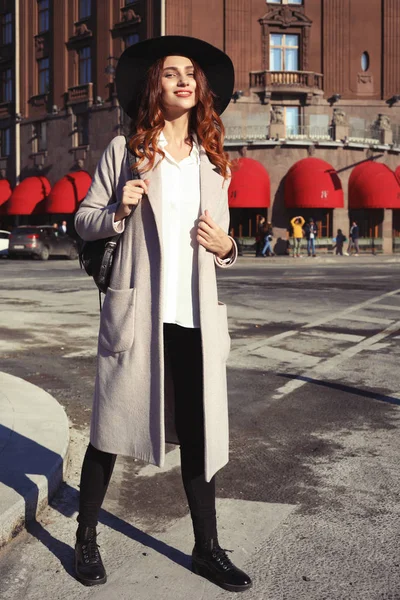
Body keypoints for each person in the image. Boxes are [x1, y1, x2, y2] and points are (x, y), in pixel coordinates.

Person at [73, 35, 252, 593]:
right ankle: (85, 537)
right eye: (171, 72)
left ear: (202, 89)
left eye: (191, 74)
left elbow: (225, 251)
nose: (182, 80)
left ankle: (207, 549)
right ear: (156, 84)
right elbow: (83, 220)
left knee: (200, 436)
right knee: (109, 431)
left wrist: (227, 246)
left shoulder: (214, 163)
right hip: (138, 316)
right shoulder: (125, 150)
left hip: (195, 319)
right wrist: (116, 211)